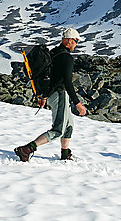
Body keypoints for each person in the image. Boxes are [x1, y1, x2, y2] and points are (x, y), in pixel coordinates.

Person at [15, 28, 87, 162]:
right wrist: (78, 103)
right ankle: (27, 149)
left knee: (69, 125)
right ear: (70, 40)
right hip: (59, 95)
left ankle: (65, 154)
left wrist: (44, 96)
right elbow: (66, 82)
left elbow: (50, 77)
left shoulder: (54, 53)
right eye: (76, 41)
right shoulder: (66, 58)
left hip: (52, 94)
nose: (76, 44)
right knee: (58, 129)